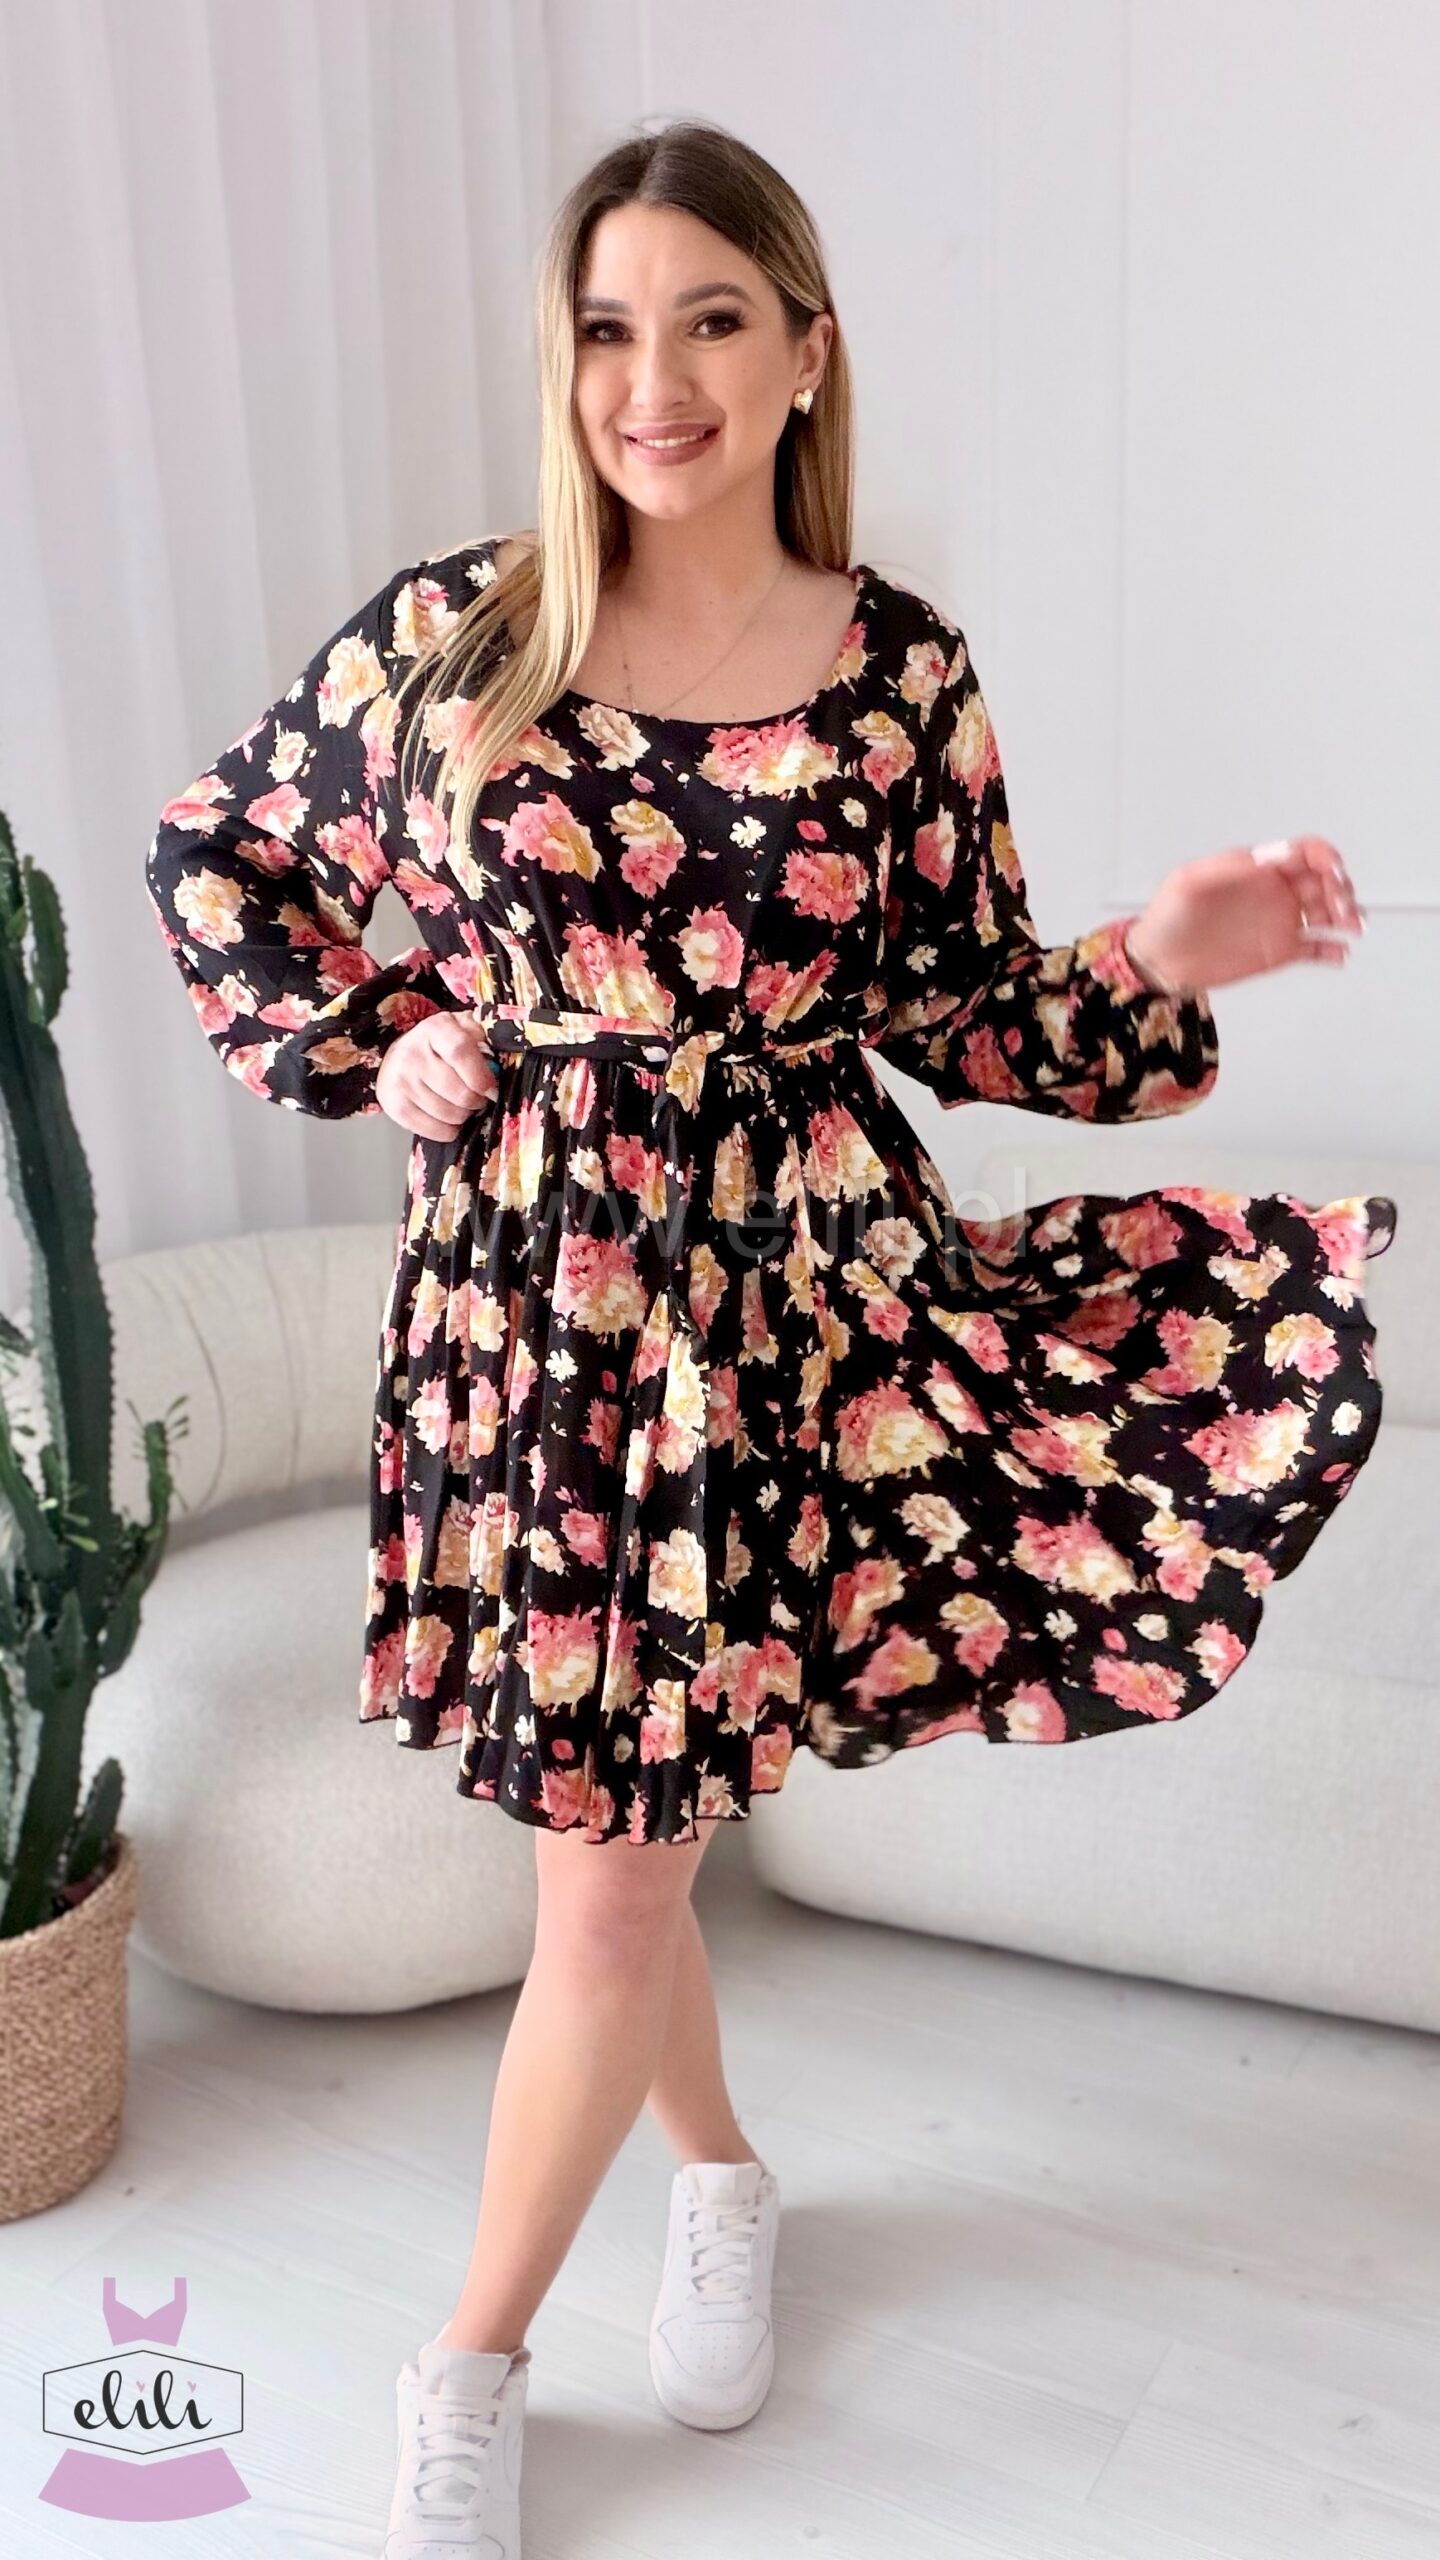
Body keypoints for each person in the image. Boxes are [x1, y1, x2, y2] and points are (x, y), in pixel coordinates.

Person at [143, 116, 1396, 2560]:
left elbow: (973, 1012)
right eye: (608, 327)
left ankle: (468, 2356)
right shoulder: (461, 635)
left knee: (618, 1862)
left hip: (788, 1317)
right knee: (613, 1843)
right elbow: (225, 855)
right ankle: (715, 2173)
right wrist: (379, 1037)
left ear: (807, 350)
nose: (657, 379)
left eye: (712, 319)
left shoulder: (898, 668)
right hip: (532, 1309)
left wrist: (1171, 948)